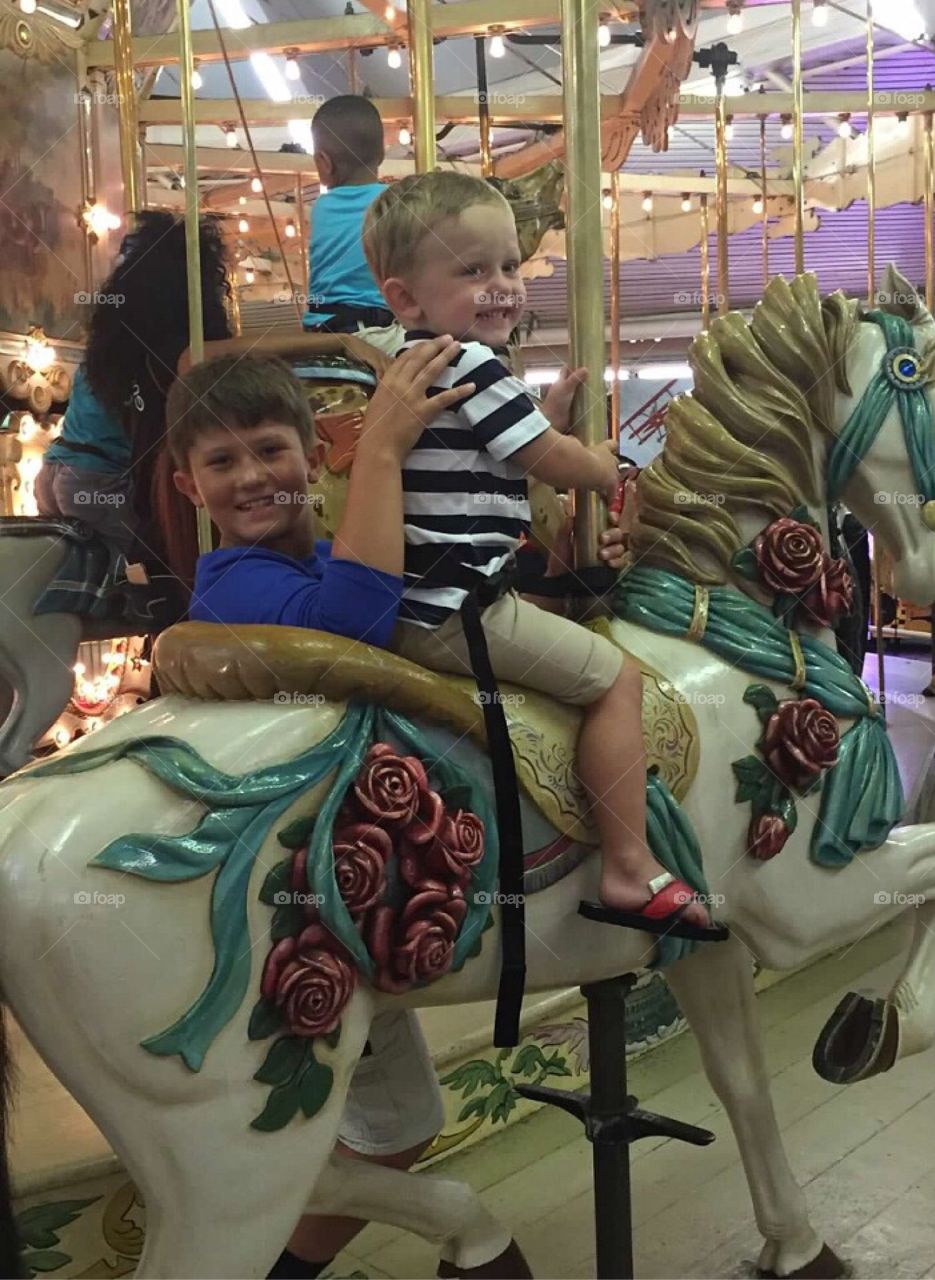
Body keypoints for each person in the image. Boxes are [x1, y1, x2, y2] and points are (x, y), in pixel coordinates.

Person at [166, 343, 633, 1278]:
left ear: (311, 451)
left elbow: (438, 613)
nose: (254, 477)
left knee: (402, 1124)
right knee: (310, 1130)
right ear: (188, 486)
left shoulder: (334, 549)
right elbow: (360, 627)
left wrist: (572, 567)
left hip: (355, 883)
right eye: (222, 462)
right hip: (289, 889)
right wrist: (382, 451)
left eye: (271, 450)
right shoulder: (235, 583)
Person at [362, 169, 710, 931]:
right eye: (473, 271)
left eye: (511, 267)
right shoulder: (471, 363)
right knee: (617, 679)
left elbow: (507, 448)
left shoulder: (432, 362)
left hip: (429, 600)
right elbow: (554, 463)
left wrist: (543, 417)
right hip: (461, 611)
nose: (501, 287)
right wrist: (602, 460)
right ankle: (627, 866)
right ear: (407, 299)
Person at [36, 211, 389, 578]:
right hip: (101, 478)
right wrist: (338, 340)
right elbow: (208, 355)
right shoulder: (170, 348)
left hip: (60, 469)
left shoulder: (117, 342)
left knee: (120, 585)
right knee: (159, 576)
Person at [302, 95, 405, 353]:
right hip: (377, 331)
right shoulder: (394, 203)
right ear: (382, 153)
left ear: (323, 163)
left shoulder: (321, 208)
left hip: (320, 326)